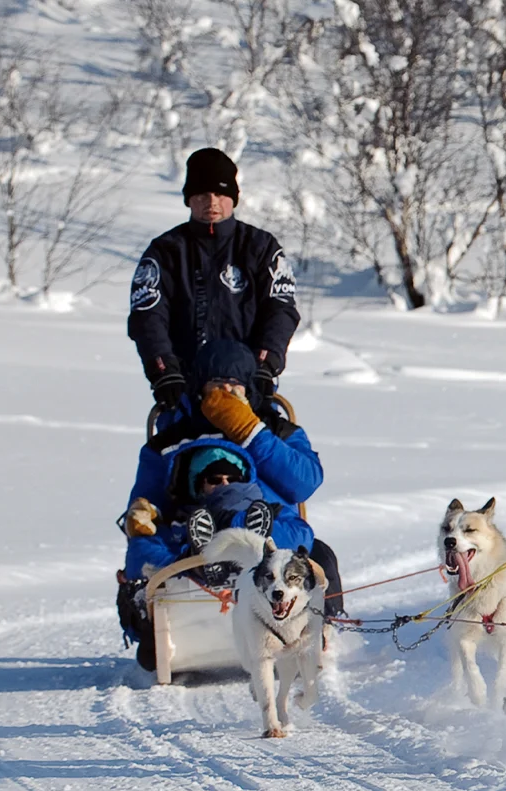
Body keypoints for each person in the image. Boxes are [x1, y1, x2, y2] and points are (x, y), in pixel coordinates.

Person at [116, 341, 343, 670]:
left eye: (234, 387)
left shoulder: (277, 430)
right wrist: (143, 516)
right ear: (199, 389)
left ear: (248, 389)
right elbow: (148, 504)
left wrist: (249, 430)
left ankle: (319, 626)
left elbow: (304, 481)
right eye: (217, 387)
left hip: (274, 530)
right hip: (192, 533)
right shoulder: (171, 441)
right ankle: (170, 605)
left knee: (319, 555)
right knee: (145, 554)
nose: (225, 393)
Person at [130, 147, 301, 410]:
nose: (211, 202)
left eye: (220, 193)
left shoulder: (261, 247)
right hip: (183, 390)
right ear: (189, 199)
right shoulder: (165, 252)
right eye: (202, 194)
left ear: (233, 198)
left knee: (281, 449)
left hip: (250, 387)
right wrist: (162, 369)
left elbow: (280, 309)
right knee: (167, 451)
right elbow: (148, 315)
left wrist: (265, 365)